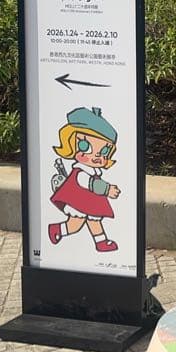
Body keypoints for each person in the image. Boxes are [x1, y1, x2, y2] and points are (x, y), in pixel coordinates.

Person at [47, 107, 122, 253]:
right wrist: (107, 189)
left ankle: (101, 242)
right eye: (85, 146)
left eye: (104, 151)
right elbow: (91, 184)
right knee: (76, 224)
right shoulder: (81, 171)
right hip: (79, 201)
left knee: (94, 220)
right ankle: (57, 229)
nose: (96, 156)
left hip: (89, 201)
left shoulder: (93, 171)